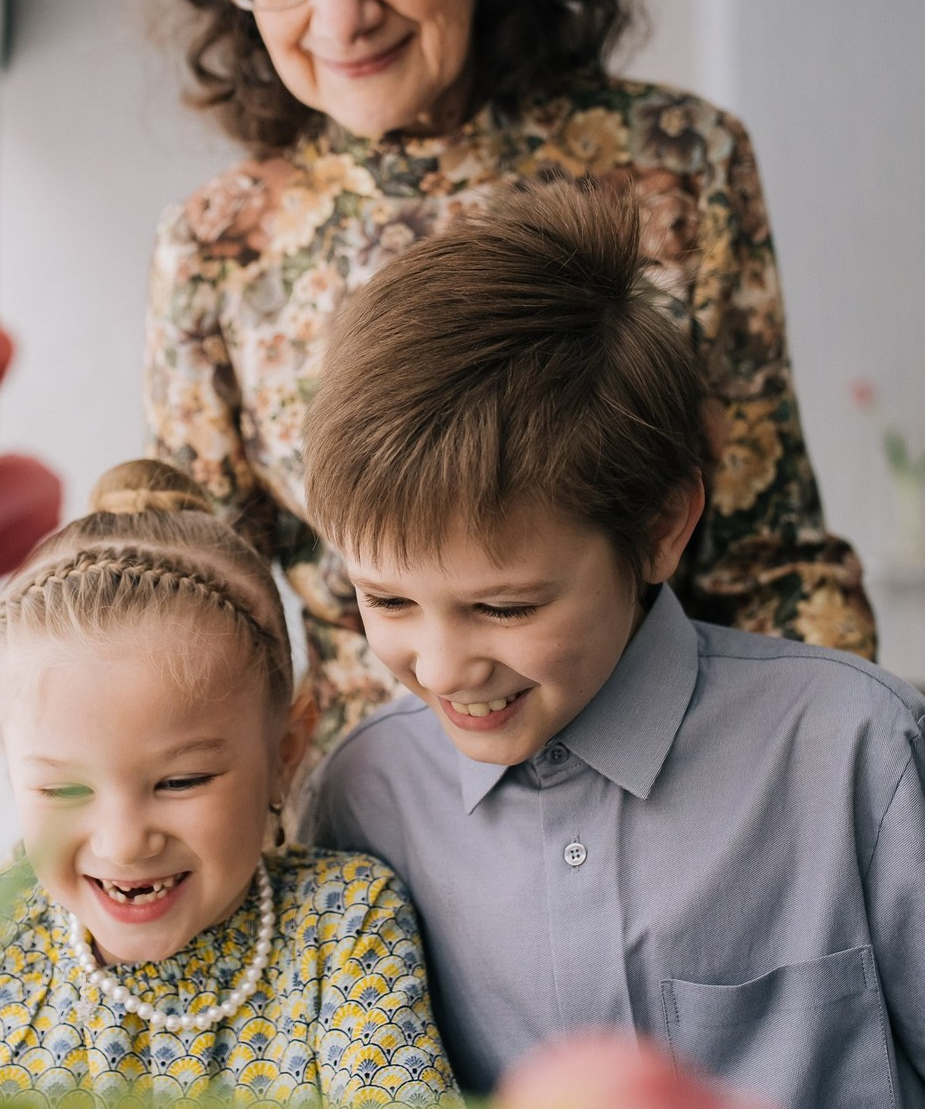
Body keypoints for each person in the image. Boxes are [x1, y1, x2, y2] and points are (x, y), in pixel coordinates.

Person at [143, 0, 875, 759]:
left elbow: (770, 564)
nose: (340, 14)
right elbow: (203, 625)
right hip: (376, 811)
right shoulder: (216, 248)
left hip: (678, 773)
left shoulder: (682, 166)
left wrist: (826, 781)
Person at [297, 182, 925, 1106]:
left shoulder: (861, 754)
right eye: (386, 600)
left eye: (504, 607)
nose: (440, 667)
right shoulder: (364, 800)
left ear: (663, 528)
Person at [0, 459, 459, 1105]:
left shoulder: (342, 926)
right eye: (65, 790)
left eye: (181, 782)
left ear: (285, 753)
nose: (124, 843)